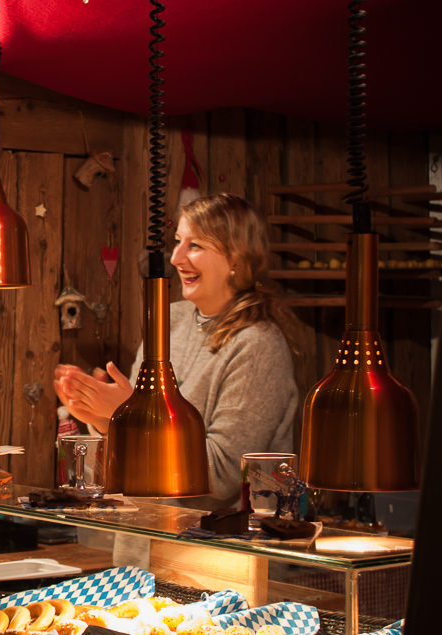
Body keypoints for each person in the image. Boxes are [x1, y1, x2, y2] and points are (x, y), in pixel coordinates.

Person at [54, 193, 300, 507]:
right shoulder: (169, 320)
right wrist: (103, 417)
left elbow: (223, 477)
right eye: (178, 241)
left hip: (217, 550)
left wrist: (123, 412)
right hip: (142, 543)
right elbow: (131, 464)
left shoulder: (257, 345)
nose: (175, 258)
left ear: (237, 258)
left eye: (195, 246)